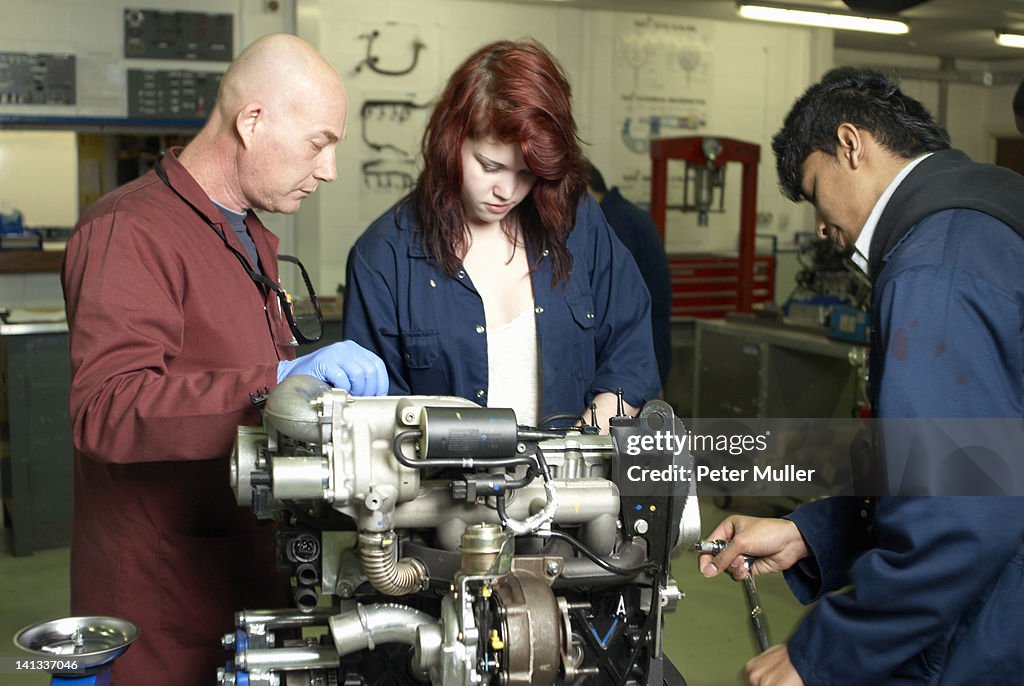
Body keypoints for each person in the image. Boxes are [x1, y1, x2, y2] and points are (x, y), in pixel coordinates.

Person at [62, 33, 388, 685]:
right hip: (162, 612)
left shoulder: (244, 235)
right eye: (320, 143)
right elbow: (105, 408)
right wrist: (271, 385)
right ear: (252, 120)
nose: (327, 170)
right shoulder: (131, 231)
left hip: (246, 583)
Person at [699, 67, 1024, 685]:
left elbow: (959, 516)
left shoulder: (935, 267)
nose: (820, 225)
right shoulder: (992, 208)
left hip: (990, 632)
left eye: (813, 187)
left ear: (851, 144)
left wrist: (818, 653)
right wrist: (809, 534)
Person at [343, 40, 659, 431]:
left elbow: (631, 356)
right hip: (438, 489)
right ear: (451, 141)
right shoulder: (382, 257)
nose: (506, 192)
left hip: (571, 482)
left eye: (526, 173)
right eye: (490, 166)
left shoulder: (576, 221)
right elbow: (376, 420)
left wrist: (576, 448)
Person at [586, 160, 673, 390]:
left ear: (583, 188)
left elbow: (616, 294)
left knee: (637, 418)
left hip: (640, 342)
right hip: (650, 335)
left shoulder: (612, 222)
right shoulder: (626, 212)